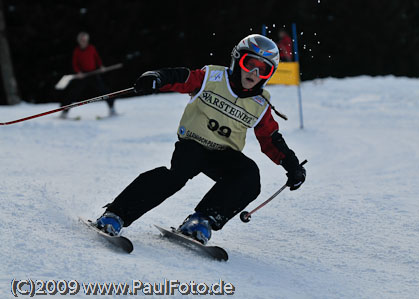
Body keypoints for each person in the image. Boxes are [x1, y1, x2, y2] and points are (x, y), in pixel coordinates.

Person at [94, 34, 306, 244]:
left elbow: (270, 138)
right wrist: (158, 78)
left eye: (263, 69)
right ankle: (115, 214)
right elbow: (183, 78)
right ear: (237, 60)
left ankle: (201, 220)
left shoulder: (260, 104)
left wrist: (291, 164)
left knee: (249, 176)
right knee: (176, 176)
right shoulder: (213, 78)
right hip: (193, 144)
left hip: (223, 154)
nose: (254, 72)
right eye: (249, 63)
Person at [60, 32, 116, 118]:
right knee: (73, 94)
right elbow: (74, 64)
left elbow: (97, 58)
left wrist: (101, 67)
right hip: (83, 75)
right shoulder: (77, 51)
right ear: (79, 41)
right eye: (82, 40)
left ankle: (112, 109)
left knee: (104, 91)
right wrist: (78, 72)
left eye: (85, 40)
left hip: (93, 74)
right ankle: (64, 112)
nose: (84, 42)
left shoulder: (91, 48)